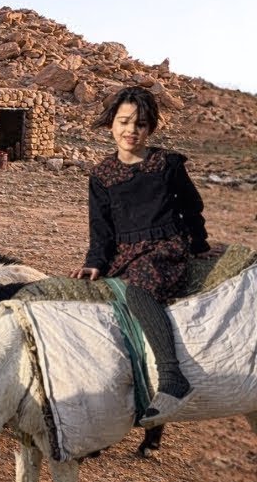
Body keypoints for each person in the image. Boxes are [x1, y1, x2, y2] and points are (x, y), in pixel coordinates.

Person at [71, 86, 217, 429]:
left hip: (165, 245)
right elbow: (101, 228)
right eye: (124, 122)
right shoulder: (102, 175)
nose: (130, 131)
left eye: (140, 124)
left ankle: (172, 378)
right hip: (124, 251)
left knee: (138, 289)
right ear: (111, 124)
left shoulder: (166, 164)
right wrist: (94, 261)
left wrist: (198, 244)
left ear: (150, 128)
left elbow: (192, 207)